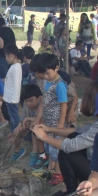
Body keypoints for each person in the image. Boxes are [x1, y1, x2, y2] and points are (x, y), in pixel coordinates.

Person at [32, 81, 98, 196]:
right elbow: (78, 131)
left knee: (67, 151)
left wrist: (44, 137)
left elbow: (71, 145)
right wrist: (50, 129)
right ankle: (71, 190)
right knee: (73, 136)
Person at [37, 53, 68, 185]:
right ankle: (51, 168)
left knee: (57, 148)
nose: (46, 76)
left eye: (48, 73)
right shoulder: (46, 81)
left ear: (57, 68)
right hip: (48, 121)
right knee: (50, 147)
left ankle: (59, 173)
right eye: (44, 73)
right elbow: (44, 101)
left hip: (56, 123)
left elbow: (64, 104)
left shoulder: (60, 84)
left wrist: (61, 124)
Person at [10, 84, 44, 164]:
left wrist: (28, 119)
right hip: (29, 131)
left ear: (38, 98)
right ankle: (17, 151)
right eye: (26, 101)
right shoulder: (26, 105)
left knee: (34, 126)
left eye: (31, 100)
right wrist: (20, 126)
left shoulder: (43, 106)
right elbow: (23, 119)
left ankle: (35, 152)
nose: (28, 103)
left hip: (41, 133)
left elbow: (41, 119)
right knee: (16, 131)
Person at [3, 44, 23, 138]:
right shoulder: (13, 66)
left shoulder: (16, 68)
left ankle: (16, 133)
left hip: (12, 98)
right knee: (12, 116)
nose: (6, 58)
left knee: (14, 117)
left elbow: (16, 84)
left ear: (11, 55)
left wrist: (14, 98)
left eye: (6, 56)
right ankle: (13, 131)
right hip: (9, 97)